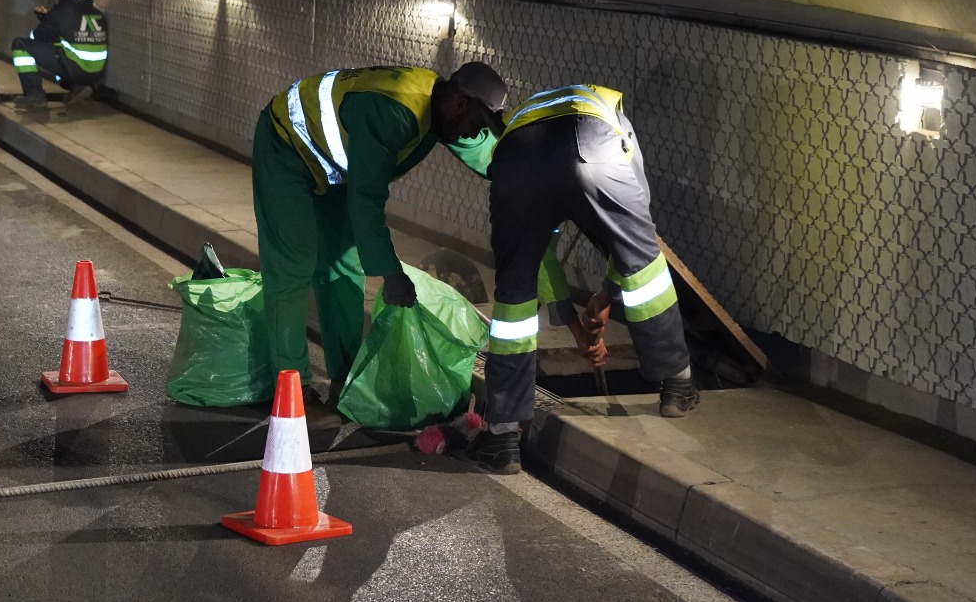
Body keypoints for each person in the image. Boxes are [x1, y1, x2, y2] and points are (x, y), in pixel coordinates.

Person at [472, 83, 697, 473]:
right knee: (645, 263)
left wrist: (585, 312)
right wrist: (606, 296)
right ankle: (676, 384)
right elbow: (632, 230)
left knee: (514, 298)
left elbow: (536, 256)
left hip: (515, 167)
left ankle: (503, 437)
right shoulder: (610, 113)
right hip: (592, 150)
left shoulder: (512, 132)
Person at [254, 63, 507, 404]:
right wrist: (391, 273)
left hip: (335, 168)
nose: (471, 135)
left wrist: (529, 173)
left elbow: (489, 156)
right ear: (460, 104)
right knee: (292, 268)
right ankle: (291, 394)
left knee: (343, 268)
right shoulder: (394, 111)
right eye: (476, 125)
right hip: (285, 144)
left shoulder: (439, 108)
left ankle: (346, 377)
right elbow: (366, 200)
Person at [12, 0, 109, 110]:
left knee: (20, 45)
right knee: (66, 48)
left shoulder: (61, 10)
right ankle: (80, 88)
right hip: (96, 74)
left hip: (76, 70)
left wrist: (46, 20)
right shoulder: (94, 9)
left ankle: (34, 95)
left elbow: (38, 37)